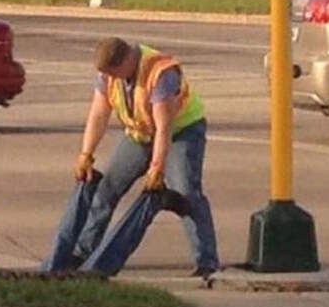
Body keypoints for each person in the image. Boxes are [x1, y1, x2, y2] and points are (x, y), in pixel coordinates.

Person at [43, 37, 219, 277]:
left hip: (181, 132)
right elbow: (98, 114)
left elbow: (164, 126)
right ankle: (83, 255)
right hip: (140, 134)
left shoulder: (160, 73)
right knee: (106, 190)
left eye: (114, 73)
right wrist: (86, 154)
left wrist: (156, 168)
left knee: (186, 192)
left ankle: (207, 262)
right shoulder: (109, 74)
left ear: (126, 61)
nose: (111, 79)